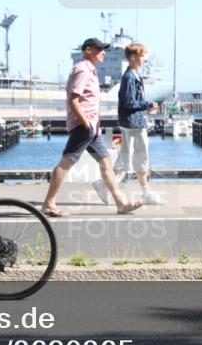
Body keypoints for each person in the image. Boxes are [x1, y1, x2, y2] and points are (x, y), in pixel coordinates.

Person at [41, 38, 142, 217]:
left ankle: (121, 204)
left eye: (104, 49)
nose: (103, 52)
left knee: (106, 161)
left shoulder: (91, 70)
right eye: (99, 49)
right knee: (66, 163)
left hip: (91, 127)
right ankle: (49, 204)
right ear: (88, 50)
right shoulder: (82, 69)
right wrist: (86, 124)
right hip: (83, 126)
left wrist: (92, 126)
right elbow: (73, 99)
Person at [98, 42, 162, 205]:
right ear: (133, 57)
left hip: (134, 122)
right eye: (142, 57)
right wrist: (147, 104)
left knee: (129, 160)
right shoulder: (129, 77)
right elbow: (129, 102)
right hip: (133, 124)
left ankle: (104, 185)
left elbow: (132, 102)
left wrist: (146, 107)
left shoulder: (133, 75)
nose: (144, 60)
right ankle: (145, 192)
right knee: (139, 157)